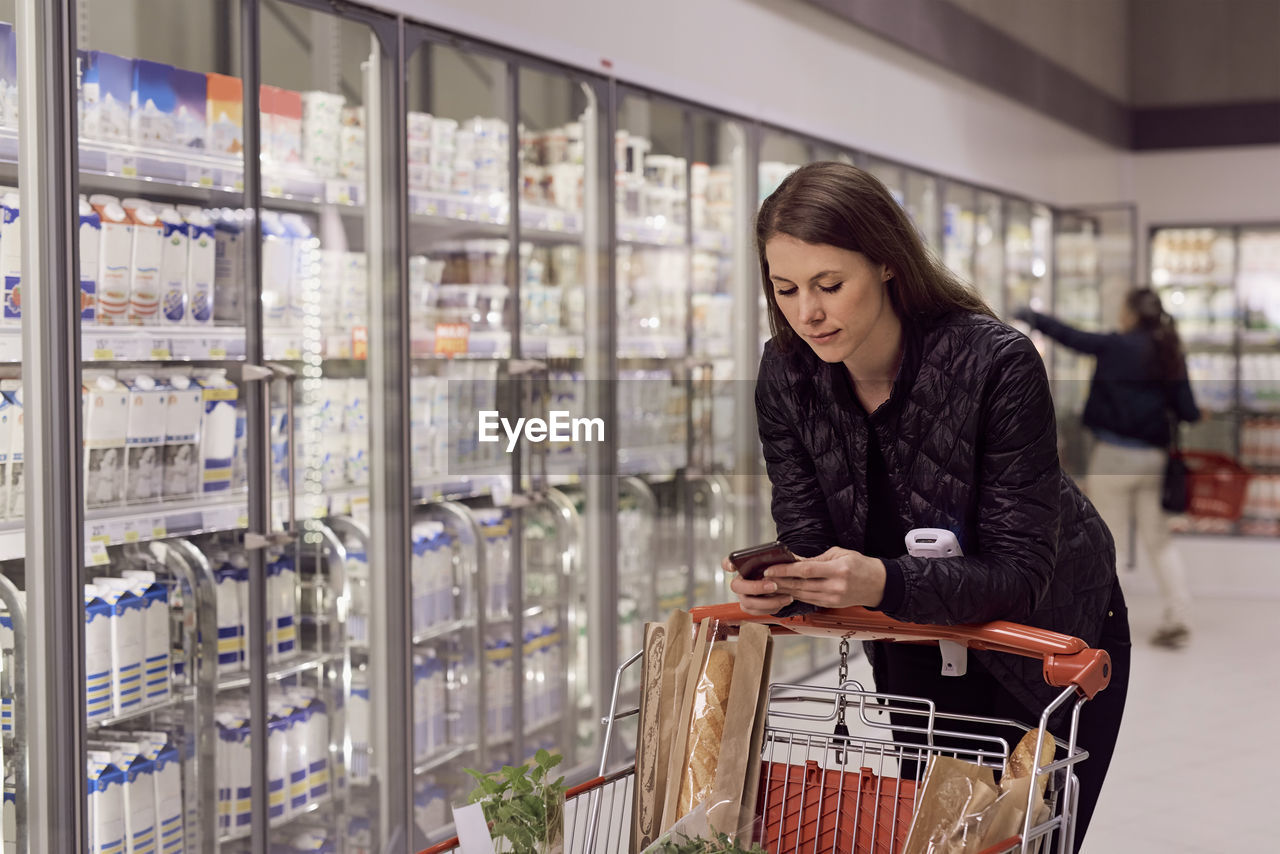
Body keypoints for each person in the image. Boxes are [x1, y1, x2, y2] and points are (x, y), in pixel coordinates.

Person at [726, 162, 1128, 850]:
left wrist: (881, 581)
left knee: (1027, 839)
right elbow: (812, 542)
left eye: (829, 285)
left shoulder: (995, 363)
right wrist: (787, 588)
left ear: (886, 262)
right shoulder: (786, 373)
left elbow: (1020, 570)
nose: (807, 312)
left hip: (1047, 643)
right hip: (912, 641)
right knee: (934, 840)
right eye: (784, 288)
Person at [1016, 289, 1201, 649]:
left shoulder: (1116, 346)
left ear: (1131, 314)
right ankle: (1178, 615)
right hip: (1154, 460)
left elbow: (1072, 337)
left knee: (1106, 540)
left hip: (1114, 456)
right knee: (1159, 541)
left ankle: (1101, 622)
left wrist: (1033, 316)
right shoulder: (1169, 352)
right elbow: (1189, 410)